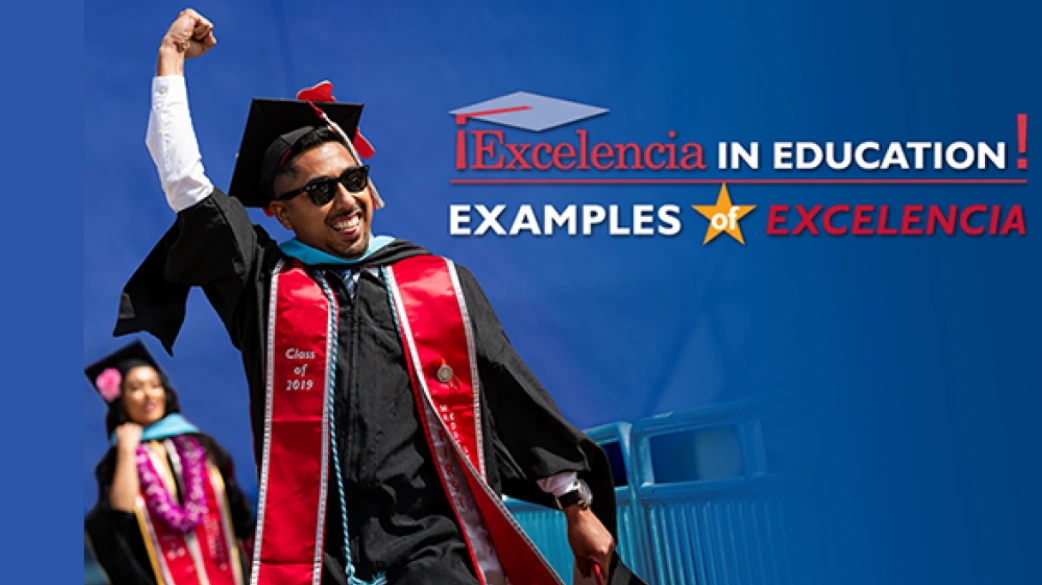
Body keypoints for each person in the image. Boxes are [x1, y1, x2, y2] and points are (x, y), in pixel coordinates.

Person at [113, 9, 645, 585]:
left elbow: (513, 394)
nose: (344, 200)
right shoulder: (262, 285)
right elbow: (188, 187)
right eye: (319, 191)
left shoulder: (437, 283)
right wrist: (170, 61)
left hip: (432, 546)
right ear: (280, 212)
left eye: (354, 180)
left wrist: (577, 507)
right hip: (318, 554)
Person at [84, 339, 255, 585]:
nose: (148, 395)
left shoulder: (200, 446)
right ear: (120, 401)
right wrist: (126, 449)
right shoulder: (117, 460)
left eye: (155, 385)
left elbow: (238, 512)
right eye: (136, 388)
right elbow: (119, 516)